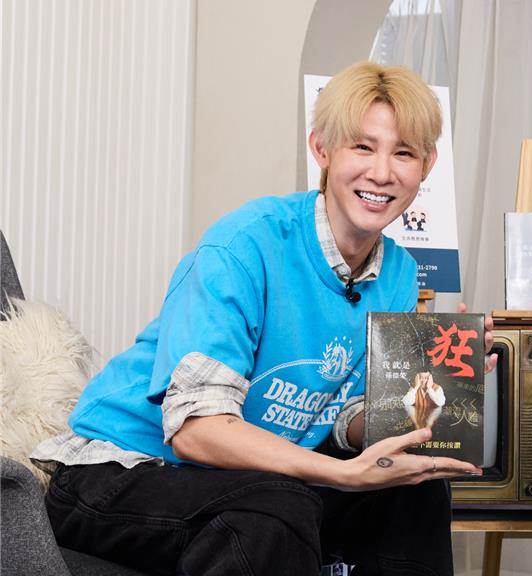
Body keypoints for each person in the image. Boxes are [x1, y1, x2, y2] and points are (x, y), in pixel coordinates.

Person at [31, 61, 493, 576]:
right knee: (277, 507)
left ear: (426, 165)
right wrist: (340, 475)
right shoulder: (244, 245)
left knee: (415, 489)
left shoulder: (400, 274)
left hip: (252, 478)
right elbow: (195, 430)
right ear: (322, 149)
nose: (382, 173)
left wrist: (427, 390)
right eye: (363, 147)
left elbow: (347, 419)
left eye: (403, 153)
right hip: (122, 468)